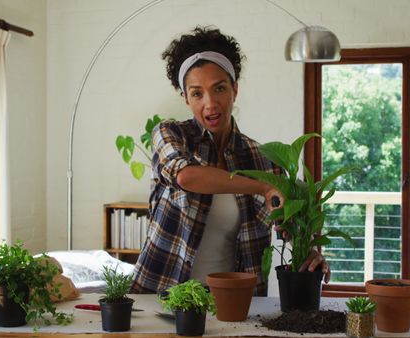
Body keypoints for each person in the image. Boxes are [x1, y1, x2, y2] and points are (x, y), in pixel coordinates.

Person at [130, 26, 329, 296]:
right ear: (185, 98)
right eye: (197, 93)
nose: (210, 103)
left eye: (220, 88)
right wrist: (262, 187)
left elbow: (289, 226)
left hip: (233, 300)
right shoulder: (170, 134)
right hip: (163, 294)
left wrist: (310, 252)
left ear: (234, 89)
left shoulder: (262, 159)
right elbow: (187, 176)